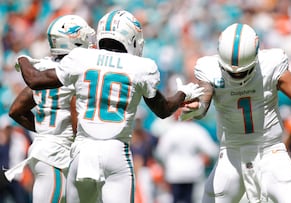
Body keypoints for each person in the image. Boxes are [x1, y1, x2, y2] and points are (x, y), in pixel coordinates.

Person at [16, 9, 204, 203]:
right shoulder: (141, 67)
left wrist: (23, 59)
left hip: (82, 151)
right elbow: (163, 110)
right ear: (130, 37)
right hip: (116, 152)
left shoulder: (81, 58)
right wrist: (184, 93)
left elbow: (35, 80)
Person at [180, 23, 291, 203]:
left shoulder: (271, 64)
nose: (237, 76)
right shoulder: (209, 68)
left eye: (243, 71)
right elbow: (203, 102)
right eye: (231, 71)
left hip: (271, 151)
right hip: (231, 154)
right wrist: (195, 109)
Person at [4, 15, 96, 203]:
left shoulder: (46, 69)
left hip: (45, 150)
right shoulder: (75, 73)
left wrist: (46, 132)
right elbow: (76, 120)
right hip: (56, 155)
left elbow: (16, 109)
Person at [155, 108, 218, 203]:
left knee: (175, 200)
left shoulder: (171, 131)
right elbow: (212, 151)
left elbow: (160, 153)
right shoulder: (197, 130)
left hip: (174, 173)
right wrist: (203, 159)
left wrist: (165, 165)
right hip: (193, 173)